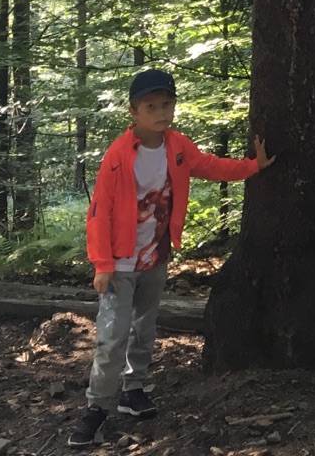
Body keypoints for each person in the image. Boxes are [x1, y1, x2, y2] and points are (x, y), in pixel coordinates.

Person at [69, 69, 274, 447]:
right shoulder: (118, 155)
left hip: (155, 258)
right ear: (134, 111)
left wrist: (253, 167)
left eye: (167, 104)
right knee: (112, 337)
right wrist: (102, 264)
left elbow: (210, 166)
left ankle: (133, 390)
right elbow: (99, 211)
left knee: (144, 327)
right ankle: (96, 408)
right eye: (151, 107)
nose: (161, 112)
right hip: (119, 263)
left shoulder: (177, 147)